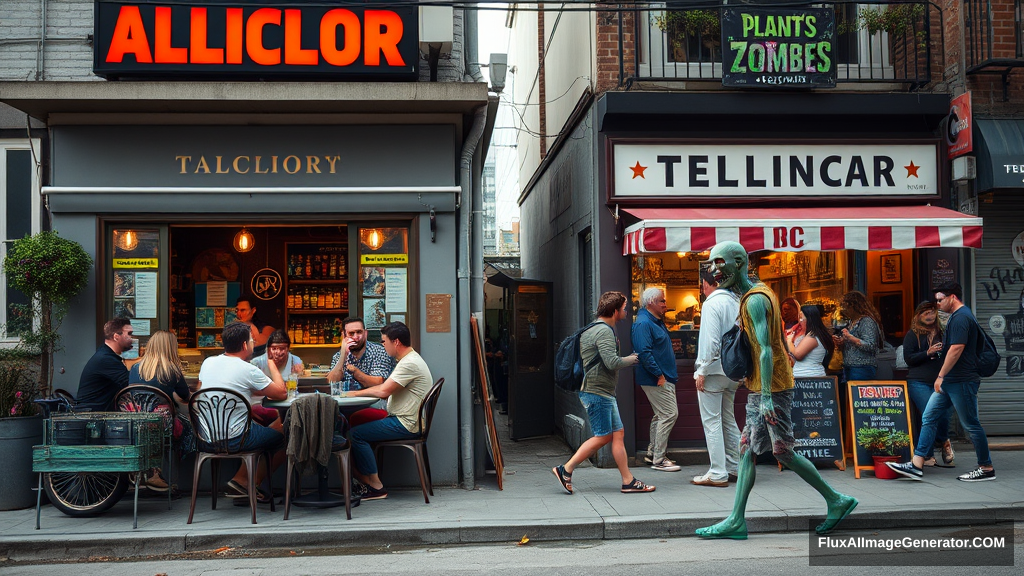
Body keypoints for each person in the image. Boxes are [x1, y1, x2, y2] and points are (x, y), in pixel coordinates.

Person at [696, 241, 857, 539]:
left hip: (773, 390)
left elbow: (767, 349)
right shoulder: (758, 292)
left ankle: (837, 500)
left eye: (720, 263)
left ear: (740, 262)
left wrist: (768, 395)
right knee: (746, 449)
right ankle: (736, 520)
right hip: (764, 387)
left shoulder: (755, 300)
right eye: (712, 265)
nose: (715, 270)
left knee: (783, 452)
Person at [888, 283, 995, 482]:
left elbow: (957, 348)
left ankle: (986, 467)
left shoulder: (962, 317)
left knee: (971, 424)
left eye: (940, 300)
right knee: (929, 417)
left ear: (952, 297)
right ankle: (917, 465)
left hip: (961, 380)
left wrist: (940, 376)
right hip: (951, 381)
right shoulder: (956, 317)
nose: (937, 304)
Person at [553, 291, 654, 495]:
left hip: (603, 391)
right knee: (603, 437)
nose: (627, 310)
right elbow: (612, 362)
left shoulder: (597, 328)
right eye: (624, 308)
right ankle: (566, 469)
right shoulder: (604, 331)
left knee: (617, 434)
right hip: (596, 392)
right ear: (615, 311)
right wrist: (635, 359)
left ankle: (628, 481)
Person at [341, 322, 433, 501]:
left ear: (396, 342)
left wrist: (353, 393)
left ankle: (375, 486)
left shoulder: (409, 364)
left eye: (384, 342)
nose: (383, 346)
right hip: (407, 419)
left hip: (406, 423)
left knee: (355, 435)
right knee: (358, 423)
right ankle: (364, 479)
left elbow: (383, 391)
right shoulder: (409, 359)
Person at [197, 321, 287, 504]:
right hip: (236, 438)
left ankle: (242, 480)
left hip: (206, 437)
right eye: (252, 341)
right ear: (245, 345)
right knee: (288, 434)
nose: (254, 344)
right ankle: (246, 481)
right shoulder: (248, 369)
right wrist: (271, 363)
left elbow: (203, 392)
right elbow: (281, 392)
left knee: (273, 425)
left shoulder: (208, 362)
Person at [128, 330, 197, 492]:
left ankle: (150, 471)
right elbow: (185, 396)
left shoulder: (135, 368)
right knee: (187, 428)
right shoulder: (171, 370)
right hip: (161, 424)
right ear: (170, 348)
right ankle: (171, 478)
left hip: (136, 421)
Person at [693, 270, 741, 487]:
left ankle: (718, 472)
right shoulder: (737, 301)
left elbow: (711, 341)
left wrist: (701, 369)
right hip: (733, 370)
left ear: (707, 284)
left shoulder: (712, 303)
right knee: (728, 419)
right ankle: (735, 468)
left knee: (712, 421)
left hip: (713, 370)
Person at [631, 287, 680, 472]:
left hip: (662, 376)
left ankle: (653, 453)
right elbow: (644, 352)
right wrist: (659, 375)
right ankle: (659, 460)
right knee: (669, 414)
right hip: (657, 378)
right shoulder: (644, 323)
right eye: (662, 301)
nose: (665, 304)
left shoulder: (654, 320)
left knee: (661, 415)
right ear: (651, 302)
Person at [902, 301, 956, 467]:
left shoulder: (944, 333)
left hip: (941, 381)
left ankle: (939, 444)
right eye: (925, 313)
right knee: (930, 412)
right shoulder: (912, 335)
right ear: (918, 316)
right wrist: (927, 352)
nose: (929, 316)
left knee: (943, 415)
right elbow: (909, 359)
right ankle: (930, 451)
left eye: (932, 312)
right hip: (918, 381)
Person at [326, 317, 395, 426]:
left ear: (365, 333)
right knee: (327, 417)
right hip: (345, 406)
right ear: (344, 336)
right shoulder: (339, 356)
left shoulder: (379, 351)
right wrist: (343, 355)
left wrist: (355, 372)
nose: (355, 337)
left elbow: (378, 382)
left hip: (374, 404)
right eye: (351, 333)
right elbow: (332, 381)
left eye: (359, 332)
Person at [76, 318, 133, 412]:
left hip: (97, 414)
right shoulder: (106, 359)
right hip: (93, 417)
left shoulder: (105, 354)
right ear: (116, 336)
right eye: (129, 334)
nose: (132, 338)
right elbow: (130, 384)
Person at [831, 291, 883, 382]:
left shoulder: (866, 321)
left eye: (845, 306)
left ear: (853, 306)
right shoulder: (852, 322)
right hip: (849, 367)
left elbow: (870, 345)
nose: (843, 309)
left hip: (862, 368)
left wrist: (849, 337)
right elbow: (853, 344)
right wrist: (841, 342)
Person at [787, 305, 835, 378]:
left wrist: (789, 341)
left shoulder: (813, 336)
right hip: (805, 376)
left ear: (809, 319)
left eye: (801, 317)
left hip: (809, 377)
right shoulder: (813, 335)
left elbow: (798, 354)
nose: (799, 321)